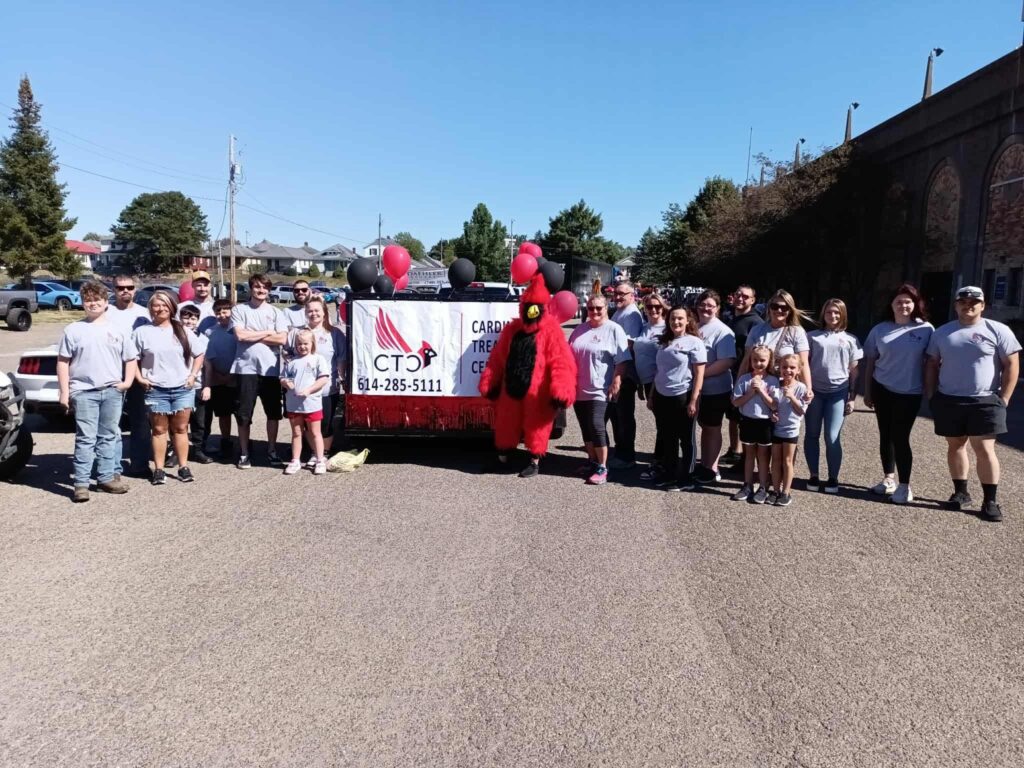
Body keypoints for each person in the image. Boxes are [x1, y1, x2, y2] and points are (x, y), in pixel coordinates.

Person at [925, 285, 1021, 522]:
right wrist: (931, 394)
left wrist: (1005, 397)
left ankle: (990, 501)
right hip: (950, 399)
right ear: (956, 305)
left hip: (985, 399)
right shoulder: (942, 333)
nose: (968, 305)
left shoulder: (998, 330)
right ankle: (960, 493)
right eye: (963, 302)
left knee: (984, 449)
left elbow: (1011, 365)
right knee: (955, 445)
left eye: (974, 302)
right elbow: (931, 364)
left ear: (983, 305)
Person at [56, 281, 136, 502]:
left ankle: (106, 477)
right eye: (88, 300)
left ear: (105, 302)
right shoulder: (73, 330)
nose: (93, 304)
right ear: (83, 303)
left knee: (109, 436)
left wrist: (127, 382)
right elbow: (63, 362)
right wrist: (64, 392)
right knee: (85, 439)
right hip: (83, 392)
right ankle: (81, 484)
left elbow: (130, 359)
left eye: (97, 300)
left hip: (112, 391)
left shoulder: (117, 330)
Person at [862, 283, 933, 505]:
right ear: (891, 305)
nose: (904, 305)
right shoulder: (879, 330)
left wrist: (931, 391)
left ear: (915, 304)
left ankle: (905, 486)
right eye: (899, 301)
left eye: (908, 301)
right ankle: (888, 479)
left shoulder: (926, 330)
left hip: (910, 392)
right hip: (882, 388)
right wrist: (867, 391)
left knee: (901, 437)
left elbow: (932, 363)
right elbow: (871, 362)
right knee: (885, 435)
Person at [131, 291, 205, 485]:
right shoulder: (142, 332)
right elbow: (132, 359)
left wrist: (192, 376)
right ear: (150, 308)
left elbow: (199, 355)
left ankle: (183, 467)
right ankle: (159, 469)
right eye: (156, 305)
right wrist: (140, 378)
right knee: (158, 430)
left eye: (165, 304)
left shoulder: (183, 330)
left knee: (181, 429)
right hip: (156, 389)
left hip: (182, 387)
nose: (161, 308)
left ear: (172, 307)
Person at [568, 290, 631, 485]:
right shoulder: (580, 330)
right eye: (590, 308)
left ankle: (603, 467)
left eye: (598, 308)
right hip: (579, 388)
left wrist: (617, 381)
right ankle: (592, 461)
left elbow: (622, 360)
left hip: (601, 389)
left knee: (596, 426)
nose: (594, 311)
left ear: (606, 309)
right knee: (585, 427)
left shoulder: (614, 330)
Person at [804, 299, 862, 494]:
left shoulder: (851, 340)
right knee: (812, 433)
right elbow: (803, 364)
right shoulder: (812, 337)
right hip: (815, 392)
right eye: (829, 312)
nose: (833, 316)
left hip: (838, 393)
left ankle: (833, 477)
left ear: (843, 315)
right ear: (823, 314)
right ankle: (813, 475)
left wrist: (852, 398)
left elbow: (854, 371)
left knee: (832, 436)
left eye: (837, 313)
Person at [230, 273, 289, 469]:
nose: (261, 290)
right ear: (250, 288)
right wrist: (267, 332)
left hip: (271, 370)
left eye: (265, 287)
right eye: (257, 287)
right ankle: (245, 452)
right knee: (244, 414)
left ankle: (271, 450)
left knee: (273, 413)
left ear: (269, 290)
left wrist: (252, 334)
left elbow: (281, 339)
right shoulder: (239, 310)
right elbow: (240, 336)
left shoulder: (276, 312)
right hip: (245, 369)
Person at [647, 306, 706, 491]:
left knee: (686, 439)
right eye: (673, 319)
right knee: (668, 437)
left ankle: (686, 477)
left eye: (680, 318)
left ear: (688, 320)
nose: (676, 322)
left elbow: (699, 374)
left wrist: (694, 400)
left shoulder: (694, 342)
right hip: (662, 396)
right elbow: (659, 371)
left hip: (683, 395)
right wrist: (651, 395)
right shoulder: (665, 342)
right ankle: (669, 474)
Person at [286, 296, 347, 457]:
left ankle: (323, 453)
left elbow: (341, 359)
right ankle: (314, 452)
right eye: (310, 311)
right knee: (307, 424)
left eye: (317, 310)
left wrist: (342, 379)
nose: (313, 314)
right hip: (302, 389)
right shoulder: (297, 333)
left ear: (324, 312)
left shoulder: (335, 334)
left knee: (325, 424)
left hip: (327, 388)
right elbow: (288, 355)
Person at [105, 273, 152, 478]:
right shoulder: (105, 313)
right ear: (113, 289)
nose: (125, 291)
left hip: (139, 373)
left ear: (135, 289)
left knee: (140, 421)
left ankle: (140, 464)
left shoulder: (145, 314)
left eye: (130, 287)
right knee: (111, 422)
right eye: (120, 288)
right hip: (112, 372)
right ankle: (112, 466)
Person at [694, 290, 737, 484]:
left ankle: (712, 467)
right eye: (702, 305)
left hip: (716, 389)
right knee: (705, 427)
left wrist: (700, 376)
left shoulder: (723, 331)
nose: (705, 308)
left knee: (712, 428)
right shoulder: (694, 327)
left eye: (710, 305)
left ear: (718, 308)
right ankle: (705, 463)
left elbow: (726, 361)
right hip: (697, 388)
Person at [739, 289, 813, 396]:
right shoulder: (756, 330)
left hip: (786, 388)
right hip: (759, 386)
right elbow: (746, 361)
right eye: (775, 306)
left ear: (790, 310)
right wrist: (738, 384)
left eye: (784, 307)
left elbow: (803, 363)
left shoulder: (797, 332)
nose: (779, 310)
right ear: (769, 308)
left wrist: (808, 388)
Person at [731, 345, 778, 504]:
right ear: (750, 361)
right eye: (755, 360)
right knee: (749, 454)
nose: (758, 363)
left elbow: (774, 405)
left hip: (764, 422)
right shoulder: (744, 379)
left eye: (762, 360)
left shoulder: (773, 381)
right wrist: (751, 392)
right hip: (748, 421)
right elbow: (736, 402)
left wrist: (762, 391)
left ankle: (763, 486)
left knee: (763, 456)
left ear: (769, 361)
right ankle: (747, 485)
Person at [280, 329, 331, 475]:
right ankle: (295, 460)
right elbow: (283, 378)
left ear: (312, 344)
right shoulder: (291, 362)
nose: (302, 347)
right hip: (294, 405)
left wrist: (309, 390)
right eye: (299, 344)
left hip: (312, 404)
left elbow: (323, 379)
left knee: (315, 432)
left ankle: (320, 459)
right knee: (296, 433)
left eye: (305, 344)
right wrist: (285, 383)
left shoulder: (318, 359)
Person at [606, 281, 643, 469]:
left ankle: (627, 455)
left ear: (632, 295)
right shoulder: (621, 311)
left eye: (622, 294)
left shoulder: (632, 314)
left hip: (625, 374)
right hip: (616, 370)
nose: (618, 297)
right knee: (616, 414)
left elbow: (628, 344)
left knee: (624, 415)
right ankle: (620, 449)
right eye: (616, 294)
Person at [724, 285, 762, 463]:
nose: (740, 298)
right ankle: (734, 449)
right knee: (732, 415)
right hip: (730, 372)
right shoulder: (732, 318)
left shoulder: (756, 323)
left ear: (753, 300)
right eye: (738, 295)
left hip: (745, 374)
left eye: (745, 297)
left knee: (743, 416)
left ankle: (744, 457)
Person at [633, 292, 669, 481]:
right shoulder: (644, 327)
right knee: (661, 422)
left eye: (658, 307)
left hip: (659, 384)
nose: (654, 310)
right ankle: (662, 459)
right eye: (649, 307)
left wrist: (653, 391)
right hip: (646, 382)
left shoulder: (666, 329)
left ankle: (661, 462)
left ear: (663, 308)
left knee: (663, 423)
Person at [769, 354, 808, 506]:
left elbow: (801, 410)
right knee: (776, 460)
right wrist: (772, 414)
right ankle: (775, 490)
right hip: (776, 428)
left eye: (792, 368)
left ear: (798, 370)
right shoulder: (775, 385)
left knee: (787, 460)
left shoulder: (801, 388)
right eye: (785, 367)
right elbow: (771, 406)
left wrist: (792, 397)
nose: (788, 371)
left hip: (791, 430)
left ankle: (786, 491)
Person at [202, 298, 239, 459]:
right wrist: (217, 375)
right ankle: (226, 439)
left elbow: (242, 354)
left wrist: (231, 374)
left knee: (240, 412)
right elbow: (206, 358)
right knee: (224, 413)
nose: (222, 315)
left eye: (225, 311)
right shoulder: (209, 332)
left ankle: (244, 441)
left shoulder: (237, 331)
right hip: (217, 377)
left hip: (236, 377)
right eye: (218, 312)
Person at [178, 304, 213, 464]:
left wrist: (207, 386)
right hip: (178, 386)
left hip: (198, 385)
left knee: (200, 421)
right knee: (179, 422)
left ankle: (198, 449)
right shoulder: (174, 336)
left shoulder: (203, 339)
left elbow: (208, 365)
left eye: (193, 318)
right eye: (186, 317)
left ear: (198, 320)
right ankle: (176, 452)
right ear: (180, 318)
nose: (189, 321)